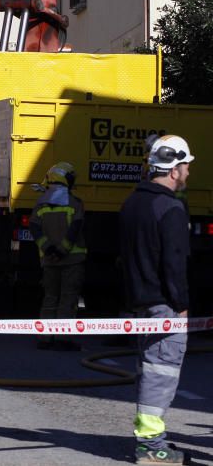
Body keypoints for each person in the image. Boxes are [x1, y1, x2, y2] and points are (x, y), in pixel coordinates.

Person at [120, 134, 193, 465]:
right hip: (164, 304)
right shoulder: (170, 208)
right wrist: (181, 305)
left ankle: (149, 440)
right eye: (186, 167)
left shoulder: (134, 202)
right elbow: (174, 263)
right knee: (161, 372)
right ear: (174, 169)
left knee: (150, 368)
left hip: (141, 300)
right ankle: (151, 446)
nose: (189, 174)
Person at [30, 161, 86, 352]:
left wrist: (49, 250)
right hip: (72, 260)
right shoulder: (75, 203)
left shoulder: (40, 205)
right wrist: (62, 250)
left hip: (49, 261)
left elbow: (35, 229)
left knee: (50, 298)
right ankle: (63, 338)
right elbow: (75, 229)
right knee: (68, 299)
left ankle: (45, 338)